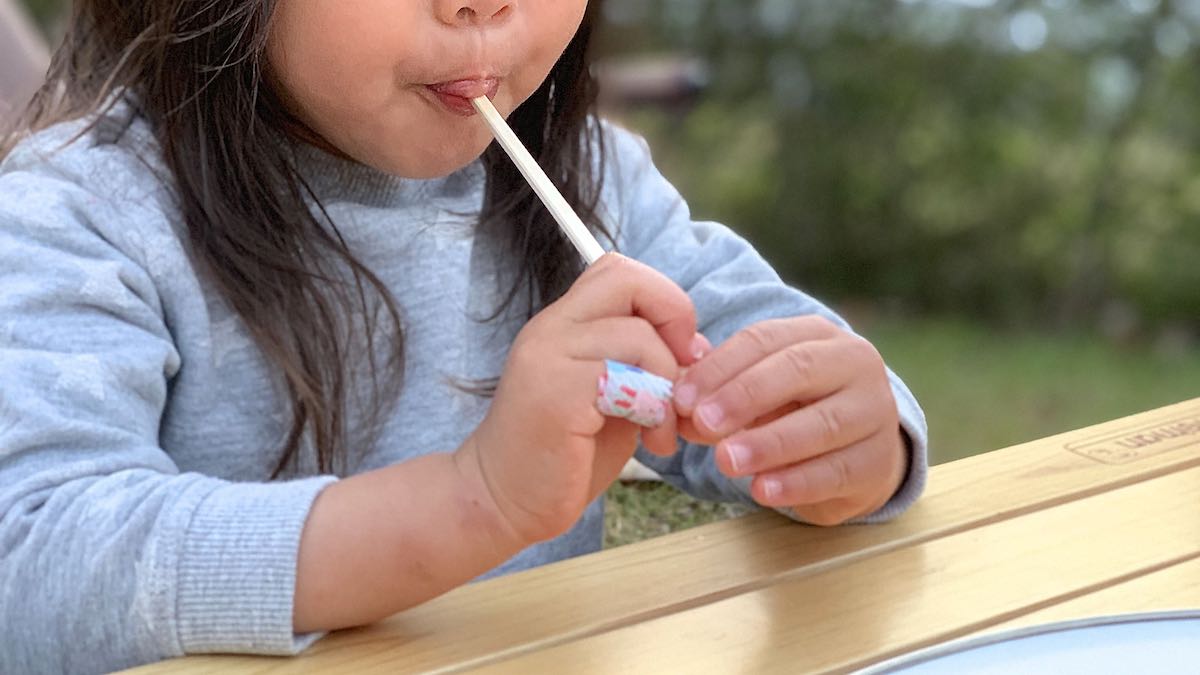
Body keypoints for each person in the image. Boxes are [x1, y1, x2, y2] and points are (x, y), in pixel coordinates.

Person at [0, 1, 928, 672]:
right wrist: (472, 501)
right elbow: (31, 565)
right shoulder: (84, 213)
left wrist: (845, 435)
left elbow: (757, 352)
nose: (484, 7)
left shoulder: (590, 182)